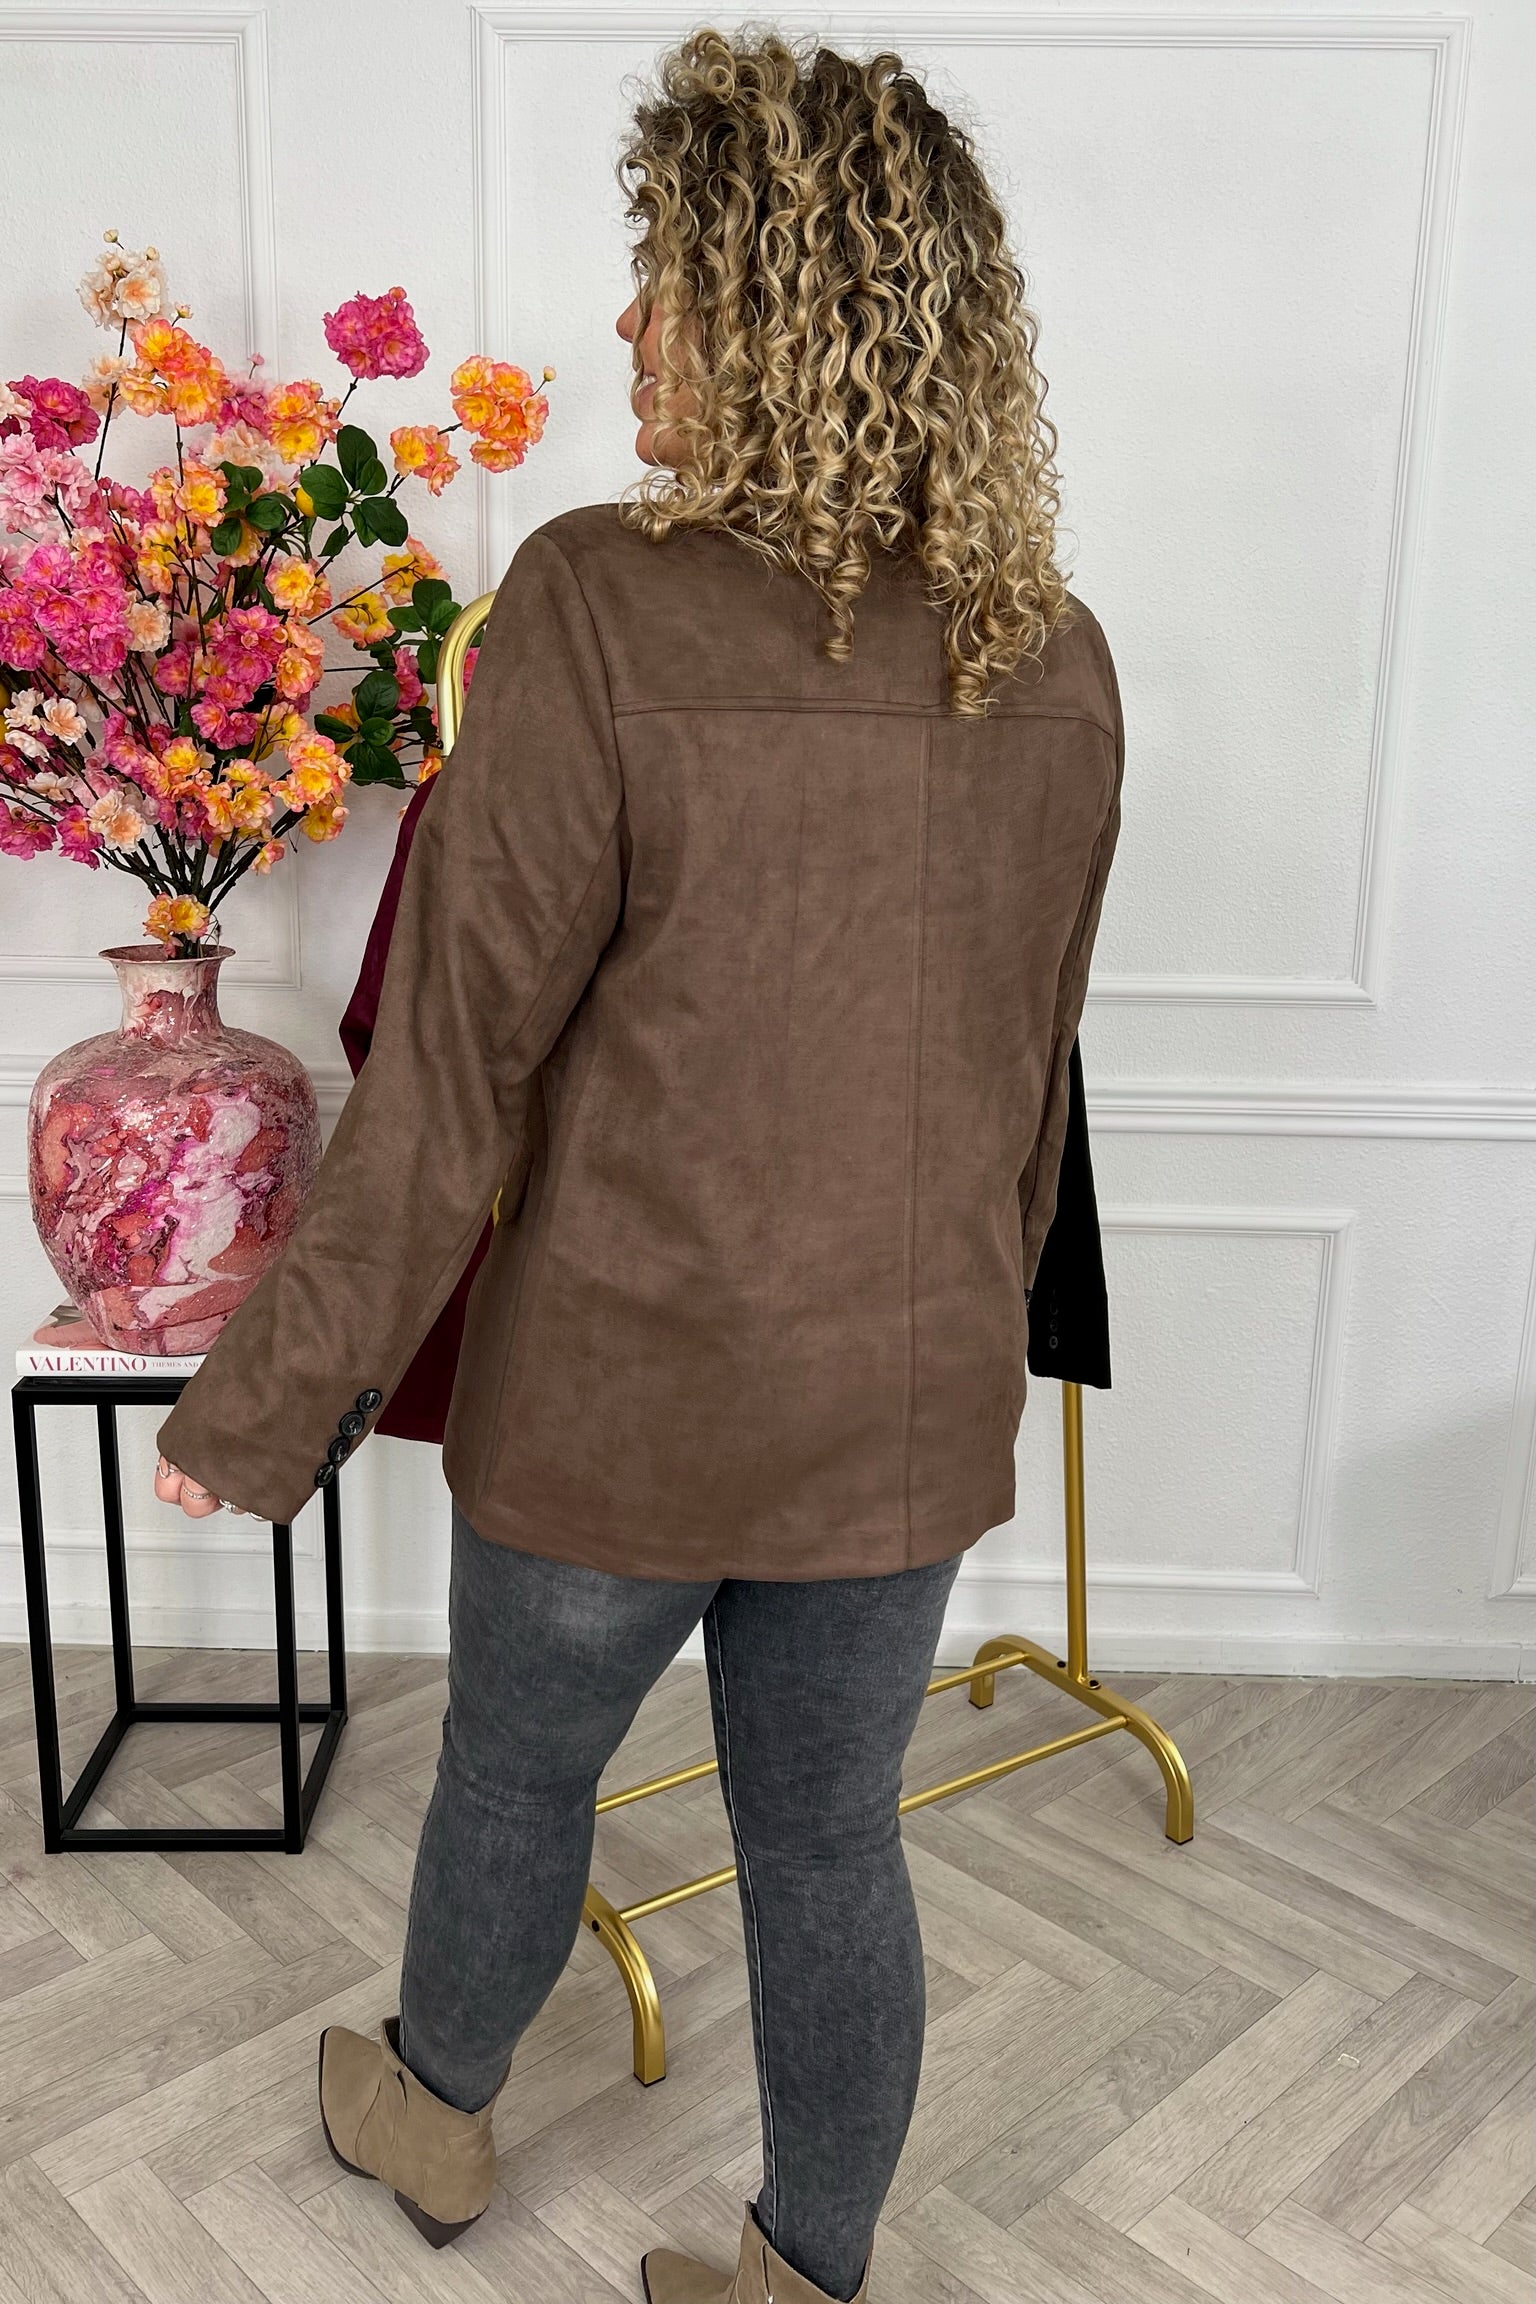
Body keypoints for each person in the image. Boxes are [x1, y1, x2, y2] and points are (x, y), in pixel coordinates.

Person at [155, 29, 1126, 2304]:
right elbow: (1031, 1083)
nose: (625, 321)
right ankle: (809, 2267)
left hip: (624, 1387)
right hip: (901, 1396)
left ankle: (436, 2115)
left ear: (776, 307)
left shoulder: (593, 598)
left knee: (517, 1776)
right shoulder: (1056, 652)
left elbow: (454, 1073)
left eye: (667, 272)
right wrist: (977, 1346)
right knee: (830, 1838)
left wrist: (258, 1406)